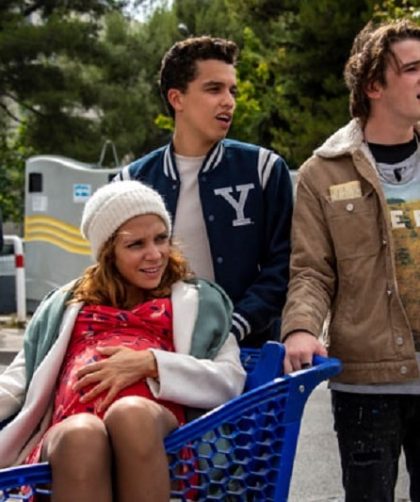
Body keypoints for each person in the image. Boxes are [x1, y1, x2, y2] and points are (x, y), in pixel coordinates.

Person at [0, 180, 246, 501]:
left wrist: (152, 364)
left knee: (131, 415)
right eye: (136, 245)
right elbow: (18, 382)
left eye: (161, 238)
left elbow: (230, 380)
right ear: (108, 253)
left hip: (163, 444)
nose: (155, 254)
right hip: (70, 438)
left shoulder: (200, 302)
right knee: (82, 435)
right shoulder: (64, 305)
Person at [281, 19, 420, 502]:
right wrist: (301, 328)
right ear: (373, 86)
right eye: (413, 68)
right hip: (366, 383)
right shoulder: (321, 173)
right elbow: (311, 271)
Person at [115, 36, 293, 348]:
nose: (229, 101)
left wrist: (232, 328)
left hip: (249, 352)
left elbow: (284, 266)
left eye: (232, 90)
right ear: (177, 98)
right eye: (214, 89)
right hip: (158, 349)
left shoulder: (264, 169)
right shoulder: (131, 182)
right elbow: (115, 273)